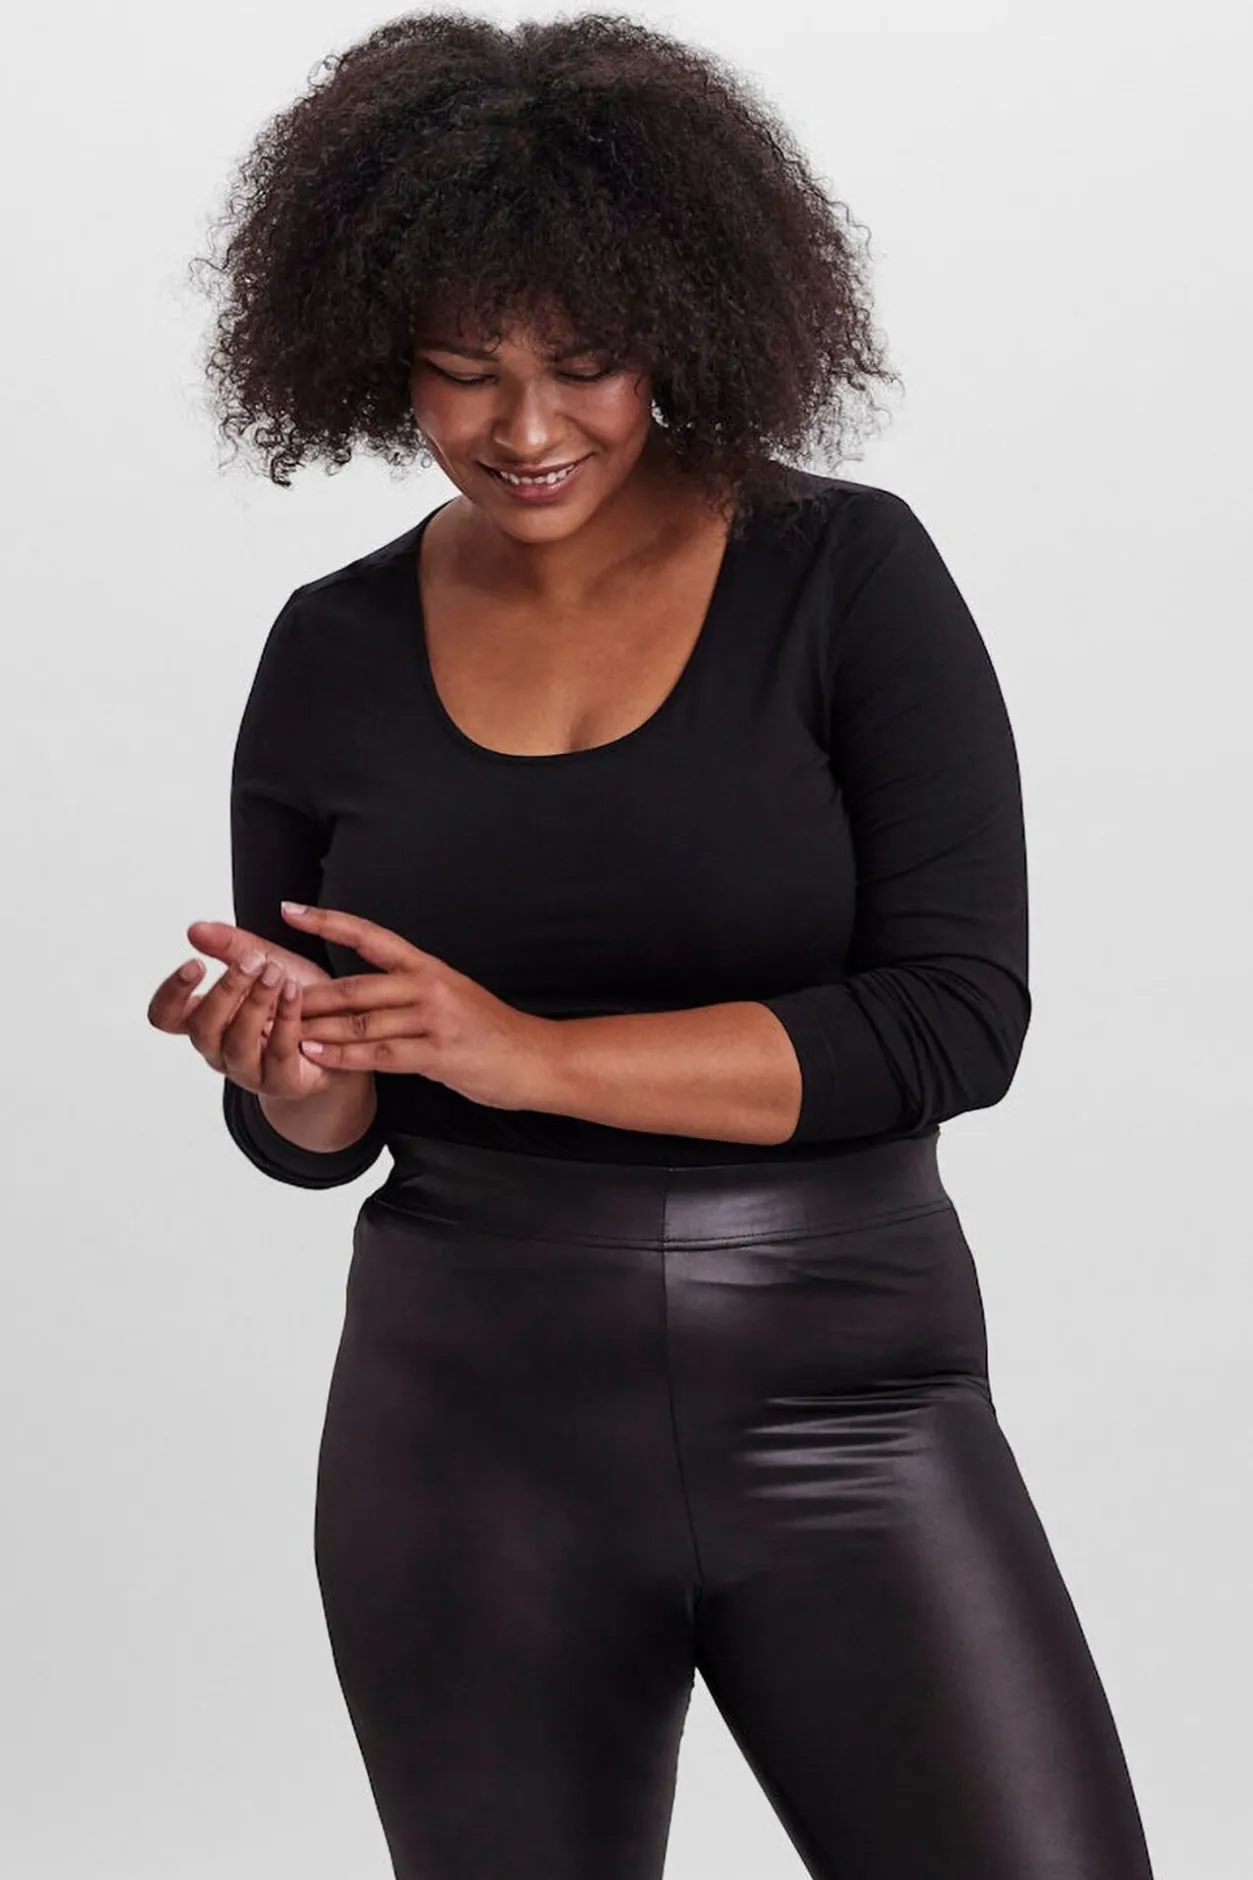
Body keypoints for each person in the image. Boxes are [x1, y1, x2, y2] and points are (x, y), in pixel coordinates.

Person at [149, 13, 1156, 1878]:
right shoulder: (331, 649)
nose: (527, 432)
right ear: (376, 350)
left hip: (852, 1405)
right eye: (464, 375)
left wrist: (525, 1052)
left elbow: (956, 1021)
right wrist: (297, 1071)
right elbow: (324, 1134)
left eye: (585, 365)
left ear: (682, 324)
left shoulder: (846, 576)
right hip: (466, 1435)